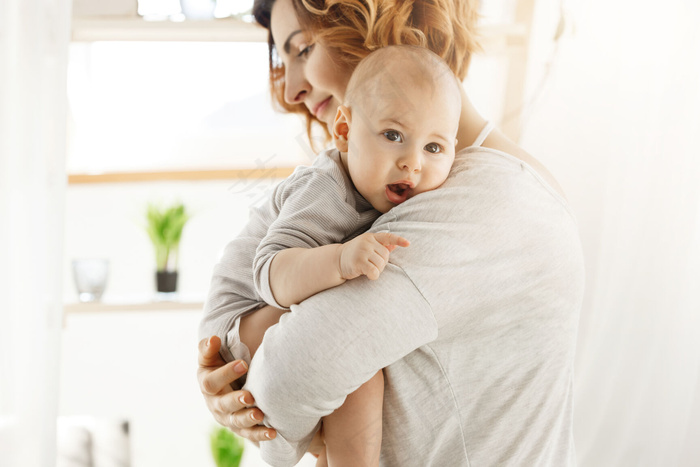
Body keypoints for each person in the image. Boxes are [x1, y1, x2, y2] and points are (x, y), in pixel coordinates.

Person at [197, 0, 584, 465]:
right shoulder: (365, 187)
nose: (292, 89)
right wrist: (234, 376)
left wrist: (248, 387)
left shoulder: (487, 199)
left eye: (302, 50)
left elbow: (290, 379)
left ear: (373, 13)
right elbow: (254, 295)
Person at [200, 45, 463, 466]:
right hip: (242, 322)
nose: (412, 163)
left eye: (434, 148)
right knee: (356, 360)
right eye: (393, 135)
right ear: (343, 130)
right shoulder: (326, 188)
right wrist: (340, 260)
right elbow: (271, 274)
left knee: (354, 370)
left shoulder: (403, 194)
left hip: (265, 317)